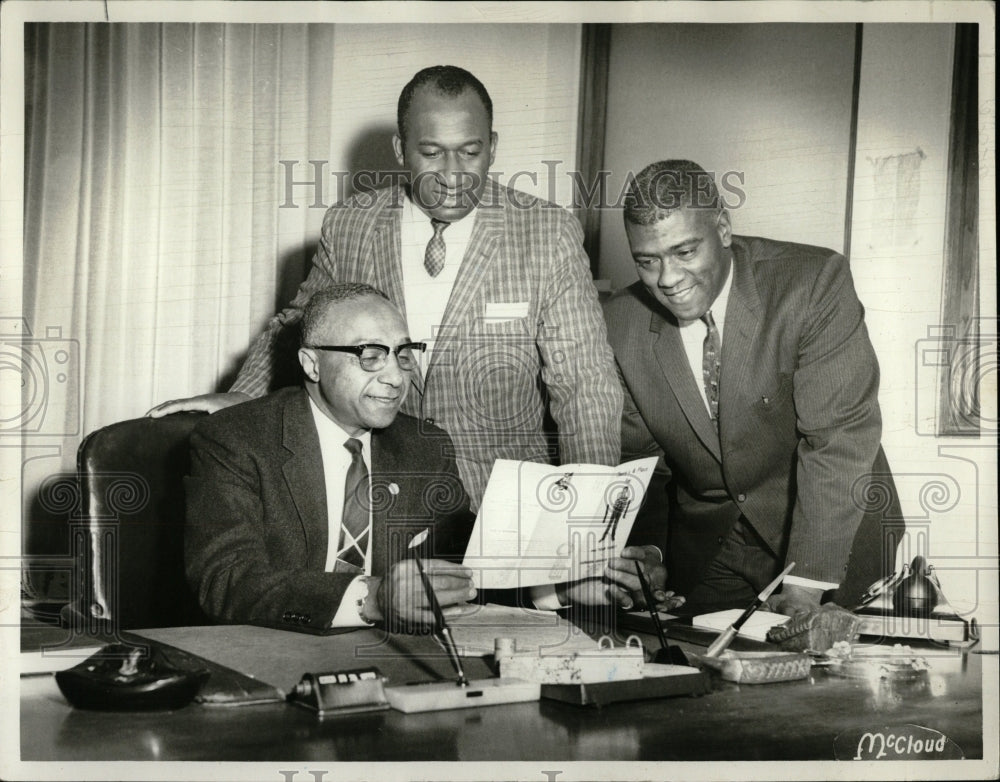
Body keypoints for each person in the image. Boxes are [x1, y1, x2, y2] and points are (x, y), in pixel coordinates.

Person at [151, 65, 623, 517]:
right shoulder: (351, 224)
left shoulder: (547, 232)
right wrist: (242, 397)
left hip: (505, 505)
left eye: (471, 151)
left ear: (493, 146)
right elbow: (297, 323)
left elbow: (585, 384)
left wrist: (588, 514)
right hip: (381, 499)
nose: (453, 173)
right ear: (401, 150)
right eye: (432, 153)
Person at [607, 160, 904, 617]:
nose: (667, 278)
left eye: (685, 252)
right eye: (648, 261)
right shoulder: (619, 322)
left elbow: (837, 438)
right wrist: (651, 553)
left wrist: (804, 585)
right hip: (708, 547)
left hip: (826, 537)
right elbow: (641, 463)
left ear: (723, 228)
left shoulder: (811, 282)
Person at [184, 283, 478, 630]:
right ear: (312, 364)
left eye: (404, 353)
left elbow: (466, 562)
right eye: (370, 355)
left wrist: (546, 589)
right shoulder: (236, 439)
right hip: (273, 648)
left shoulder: (424, 446)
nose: (396, 377)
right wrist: (371, 598)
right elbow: (227, 581)